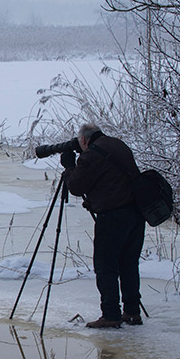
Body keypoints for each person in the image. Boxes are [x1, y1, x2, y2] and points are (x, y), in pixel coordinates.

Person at [61, 123, 146, 328]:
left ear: (83, 140)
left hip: (113, 216)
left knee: (105, 265)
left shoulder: (91, 156)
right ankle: (132, 312)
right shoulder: (118, 144)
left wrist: (70, 167)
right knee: (128, 264)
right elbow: (112, 181)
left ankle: (111, 315)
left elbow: (76, 186)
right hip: (136, 213)